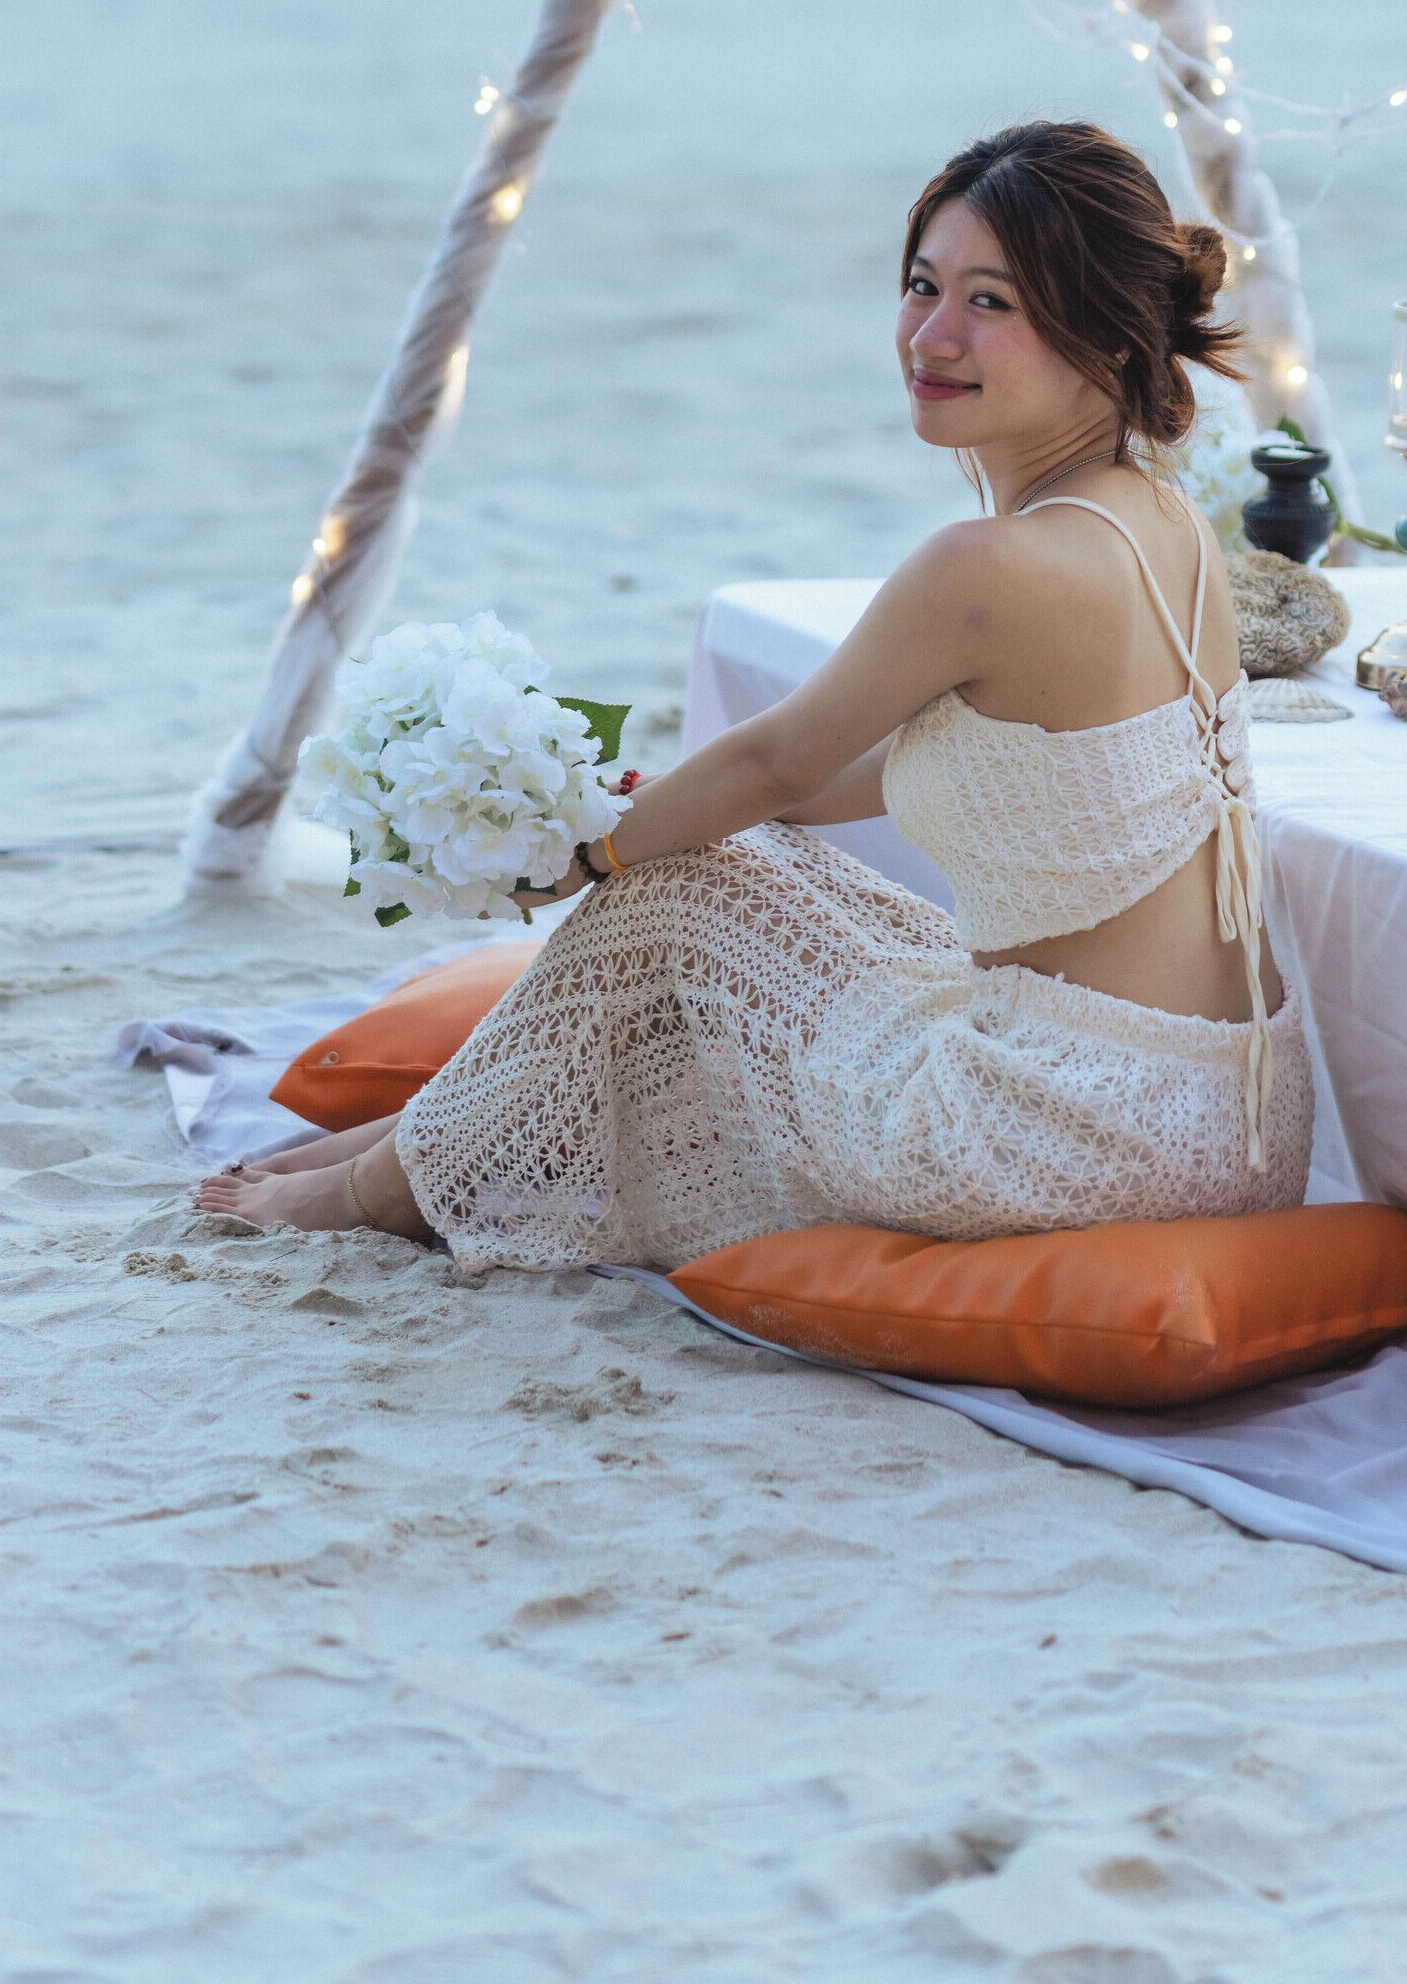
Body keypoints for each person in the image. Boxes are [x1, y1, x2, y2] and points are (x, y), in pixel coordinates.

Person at [196, 118, 1311, 1261]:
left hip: (1069, 1135)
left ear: (1105, 334)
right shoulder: (1164, 520)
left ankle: (390, 1180)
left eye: (993, 302)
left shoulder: (986, 569)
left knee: (668, 892)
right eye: (923, 285)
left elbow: (776, 758)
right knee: (731, 860)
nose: (931, 336)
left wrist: (579, 855)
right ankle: (424, 1135)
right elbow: (922, 769)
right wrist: (639, 801)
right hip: (1236, 1123)